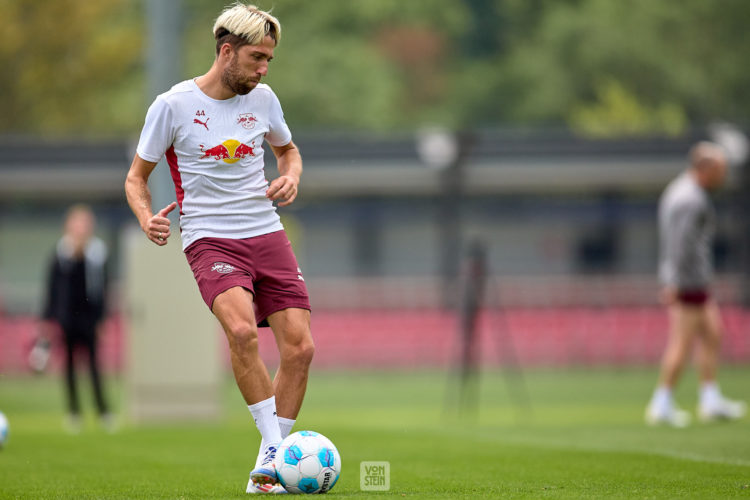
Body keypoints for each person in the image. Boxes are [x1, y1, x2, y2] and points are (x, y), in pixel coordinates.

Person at [124, 4, 314, 494]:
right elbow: (136, 179)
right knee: (241, 332)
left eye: (269, 59)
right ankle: (275, 451)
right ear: (226, 50)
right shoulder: (171, 106)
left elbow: (286, 150)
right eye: (256, 58)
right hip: (209, 236)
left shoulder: (265, 98)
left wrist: (290, 176)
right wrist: (147, 218)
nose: (263, 69)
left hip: (266, 232)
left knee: (301, 347)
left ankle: (268, 465)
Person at [645, 142, 746, 427]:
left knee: (713, 334)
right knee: (682, 343)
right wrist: (675, 283)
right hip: (687, 283)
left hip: (694, 281)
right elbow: (681, 245)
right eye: (720, 171)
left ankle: (710, 399)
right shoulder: (691, 199)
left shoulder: (684, 190)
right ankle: (661, 403)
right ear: (705, 168)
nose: (723, 177)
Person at [41, 204, 112, 433]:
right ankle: (74, 412)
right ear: (68, 226)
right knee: (69, 366)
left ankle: (103, 412)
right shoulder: (61, 254)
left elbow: (104, 288)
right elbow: (52, 289)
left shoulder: (97, 254)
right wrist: (48, 319)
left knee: (94, 366)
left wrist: (102, 318)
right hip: (67, 318)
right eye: (77, 222)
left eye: (85, 223)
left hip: (90, 318)